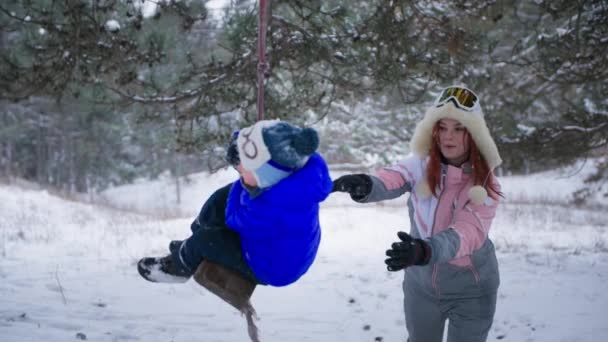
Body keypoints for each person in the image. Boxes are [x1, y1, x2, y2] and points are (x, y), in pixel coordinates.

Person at [332, 86, 503, 342]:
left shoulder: (484, 186)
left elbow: (468, 233)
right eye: (442, 127)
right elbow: (394, 177)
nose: (448, 136)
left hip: (472, 291)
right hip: (421, 287)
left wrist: (424, 250)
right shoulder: (420, 165)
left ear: (475, 134)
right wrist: (366, 184)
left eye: (459, 128)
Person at [138, 119, 333, 287]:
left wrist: (242, 186)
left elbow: (232, 220)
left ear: (265, 176)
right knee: (222, 196)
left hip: (271, 268)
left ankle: (178, 268)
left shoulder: (270, 208)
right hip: (279, 248)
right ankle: (191, 246)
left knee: (207, 239)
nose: (239, 174)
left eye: (242, 171)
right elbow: (267, 142)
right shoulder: (293, 164)